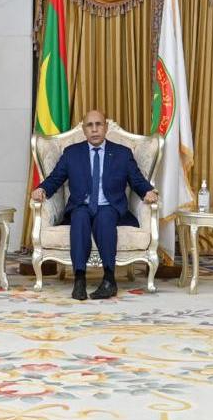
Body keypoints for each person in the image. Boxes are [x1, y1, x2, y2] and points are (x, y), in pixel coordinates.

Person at [31, 110, 159, 300]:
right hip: (81, 205)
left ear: (105, 127)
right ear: (84, 130)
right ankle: (79, 280)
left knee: (105, 218)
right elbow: (55, 178)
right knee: (79, 217)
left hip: (110, 206)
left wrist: (148, 191)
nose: (94, 129)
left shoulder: (122, 154)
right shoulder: (72, 153)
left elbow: (137, 180)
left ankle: (109, 280)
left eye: (98, 124)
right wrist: (41, 189)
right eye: (89, 125)